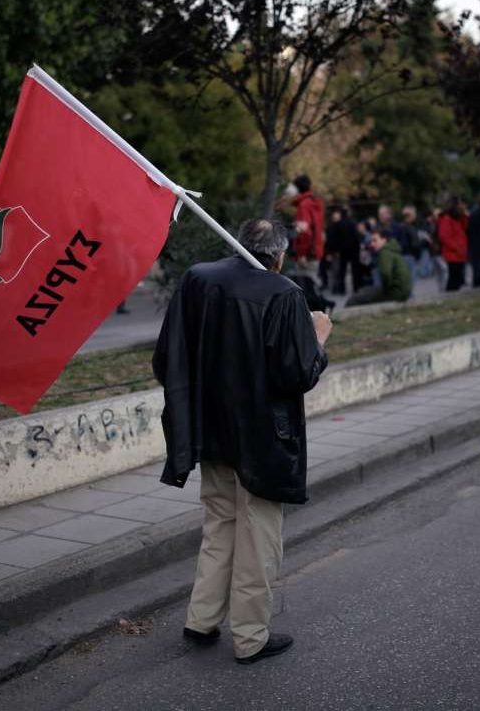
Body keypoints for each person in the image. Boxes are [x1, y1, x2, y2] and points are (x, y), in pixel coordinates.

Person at [154, 219, 331, 665]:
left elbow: (167, 356)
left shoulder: (198, 280)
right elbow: (296, 374)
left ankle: (202, 618)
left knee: (219, 526)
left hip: (211, 429)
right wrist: (319, 337)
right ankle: (250, 637)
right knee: (258, 537)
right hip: (262, 438)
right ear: (280, 254)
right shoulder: (285, 293)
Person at [345, 227, 412, 306]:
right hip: (404, 291)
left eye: (375, 240)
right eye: (371, 241)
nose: (372, 244)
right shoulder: (392, 249)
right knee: (365, 291)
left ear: (384, 240)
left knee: (355, 299)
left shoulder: (384, 252)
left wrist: (385, 290)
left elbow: (385, 274)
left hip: (395, 292)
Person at [289, 175, 324, 280]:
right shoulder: (316, 202)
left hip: (306, 254)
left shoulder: (304, 205)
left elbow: (304, 231)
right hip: (315, 249)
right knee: (312, 283)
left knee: (304, 286)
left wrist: (302, 254)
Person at [437, 198, 469, 291]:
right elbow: (444, 237)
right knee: (453, 279)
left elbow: (466, 226)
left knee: (458, 279)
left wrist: (464, 215)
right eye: (460, 205)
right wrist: (457, 248)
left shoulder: (458, 219)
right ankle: (449, 298)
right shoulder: (446, 219)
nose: (462, 206)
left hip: (459, 254)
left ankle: (453, 298)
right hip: (453, 255)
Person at [376, 204, 416, 278]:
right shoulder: (377, 227)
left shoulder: (397, 227)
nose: (380, 216)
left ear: (389, 214)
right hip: (382, 262)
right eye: (379, 214)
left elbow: (403, 244)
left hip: (396, 261)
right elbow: (372, 244)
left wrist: (387, 246)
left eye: (382, 214)